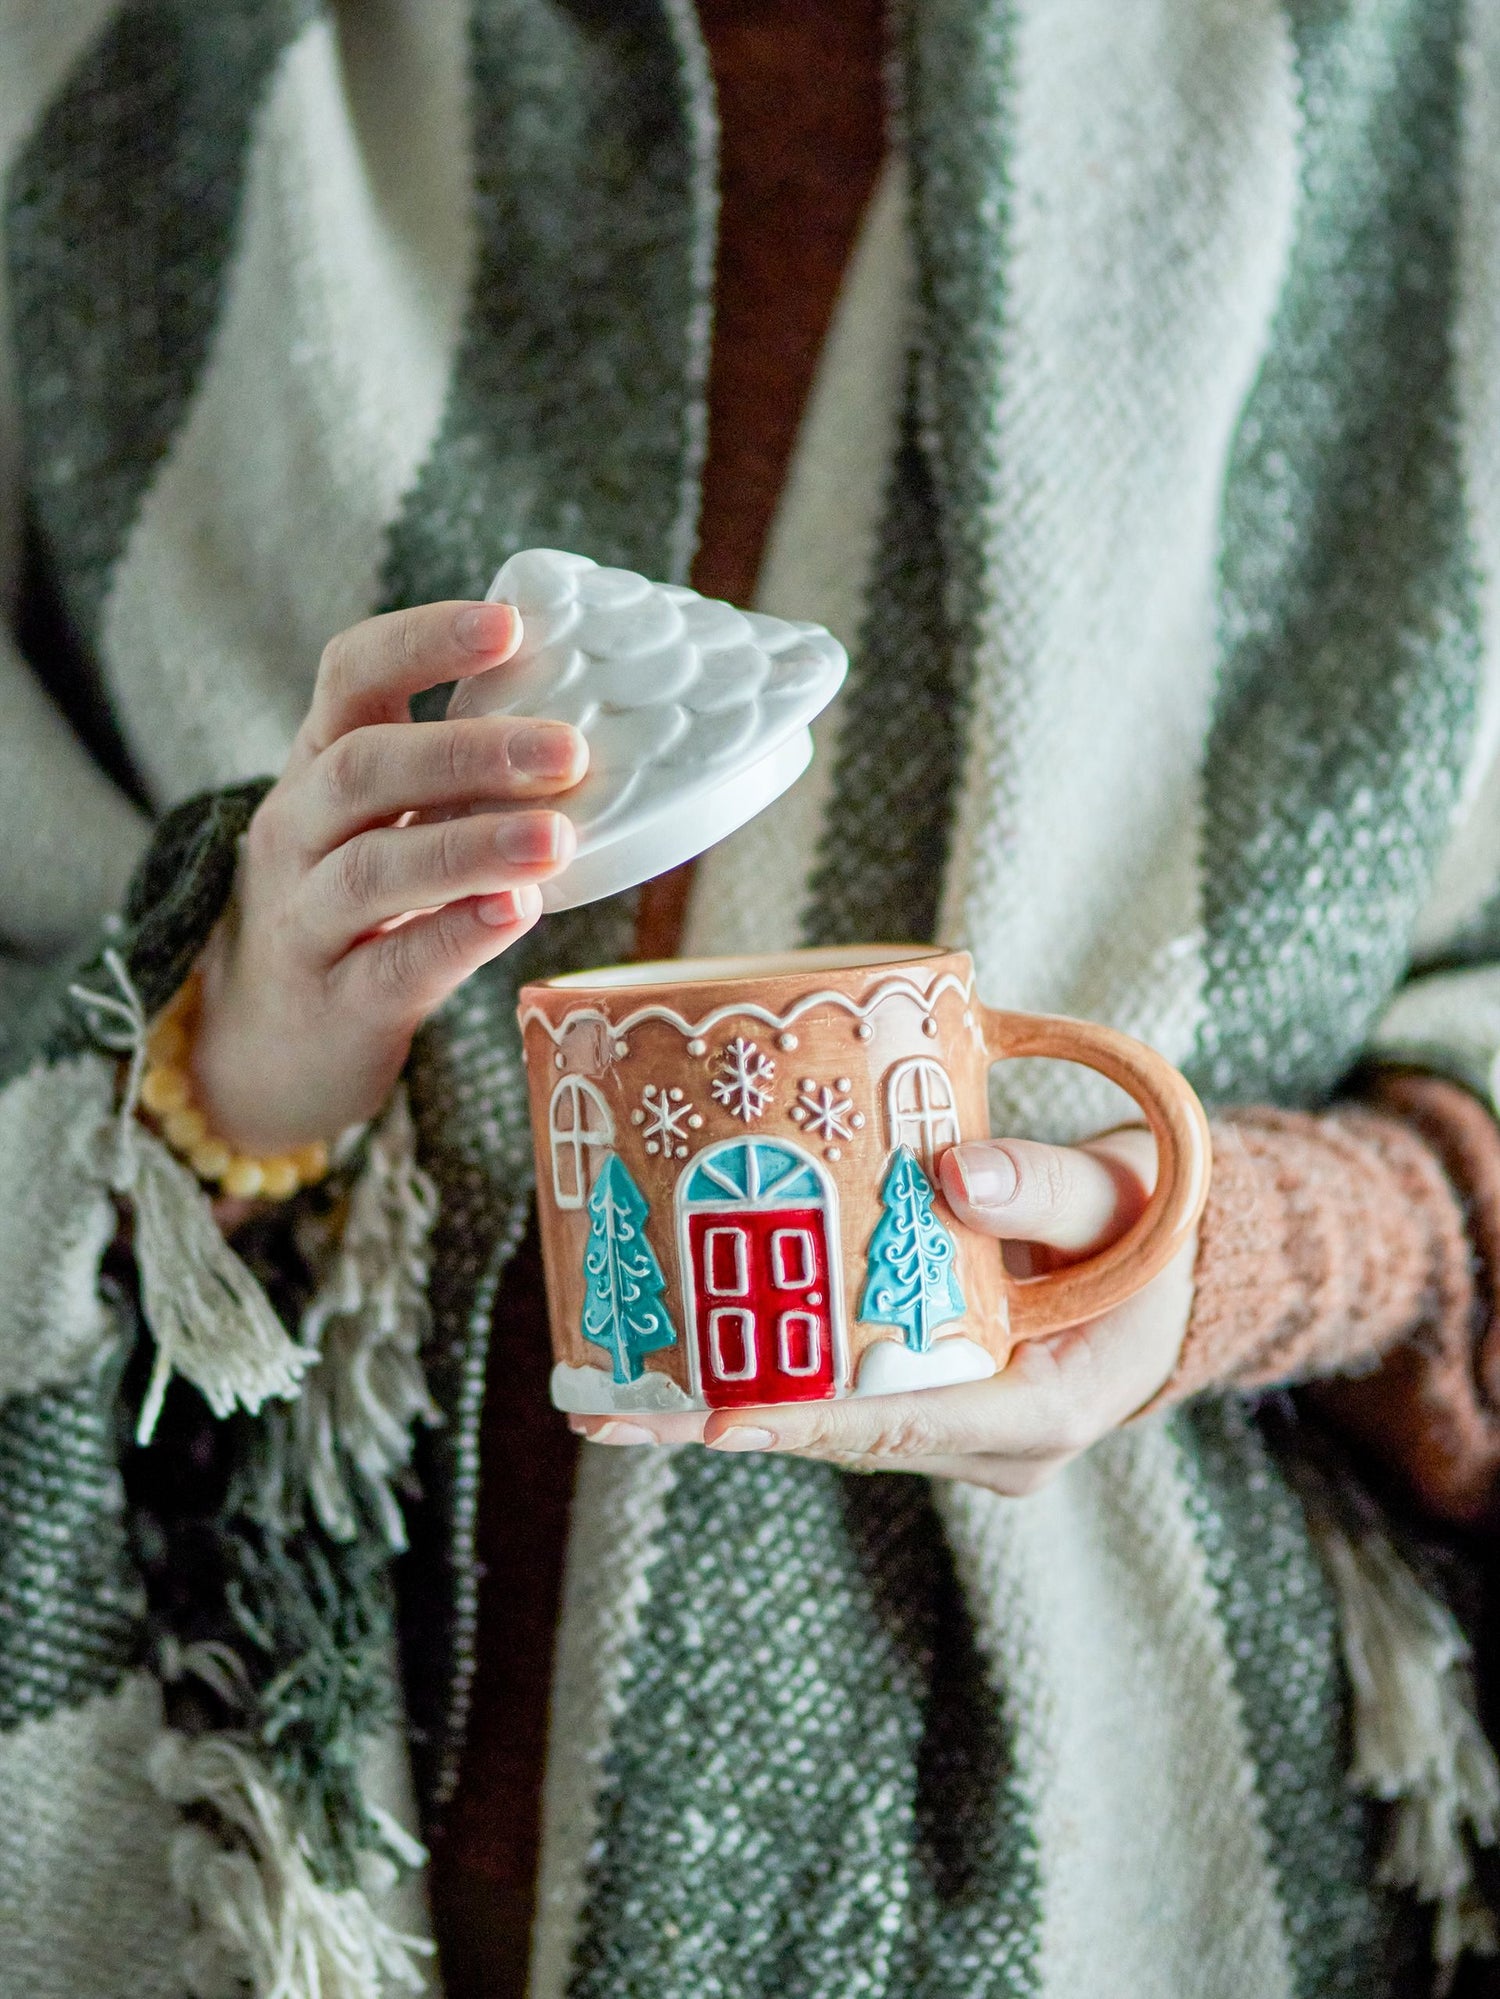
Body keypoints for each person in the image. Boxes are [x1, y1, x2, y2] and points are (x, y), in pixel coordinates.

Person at [5, 2, 1500, 1995]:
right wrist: (231, 1065)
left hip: (1152, 1861)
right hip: (314, 1851)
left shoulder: (1428, 91)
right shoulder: (125, 89)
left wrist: (1251, 1251)